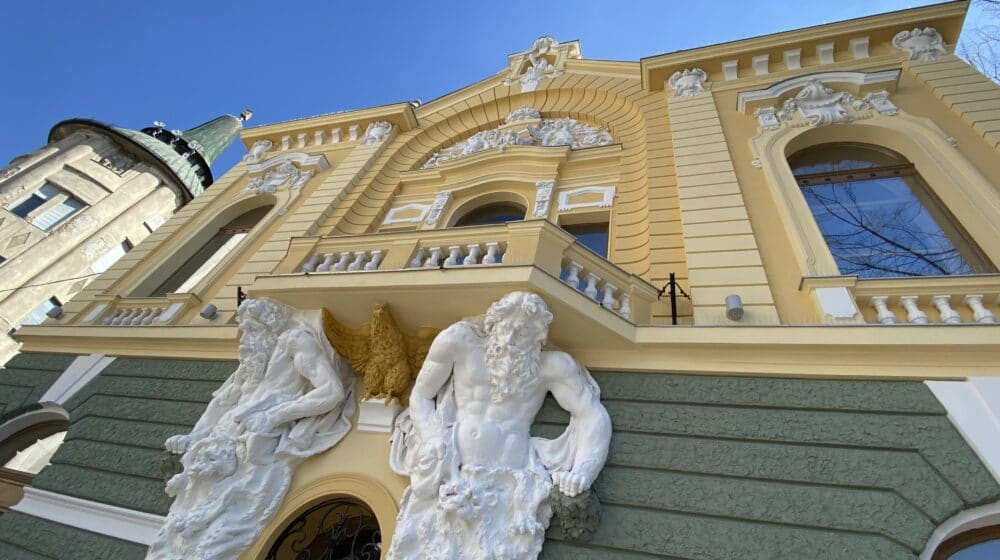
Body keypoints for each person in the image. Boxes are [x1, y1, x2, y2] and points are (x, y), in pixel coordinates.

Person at [388, 292, 611, 560]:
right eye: (509, 324)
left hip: (510, 488)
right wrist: (433, 437)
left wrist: (583, 472)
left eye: (525, 329)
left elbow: (592, 415)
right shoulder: (460, 341)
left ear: (538, 335)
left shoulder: (551, 366)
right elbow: (421, 396)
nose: (514, 334)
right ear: (494, 321)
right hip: (453, 477)